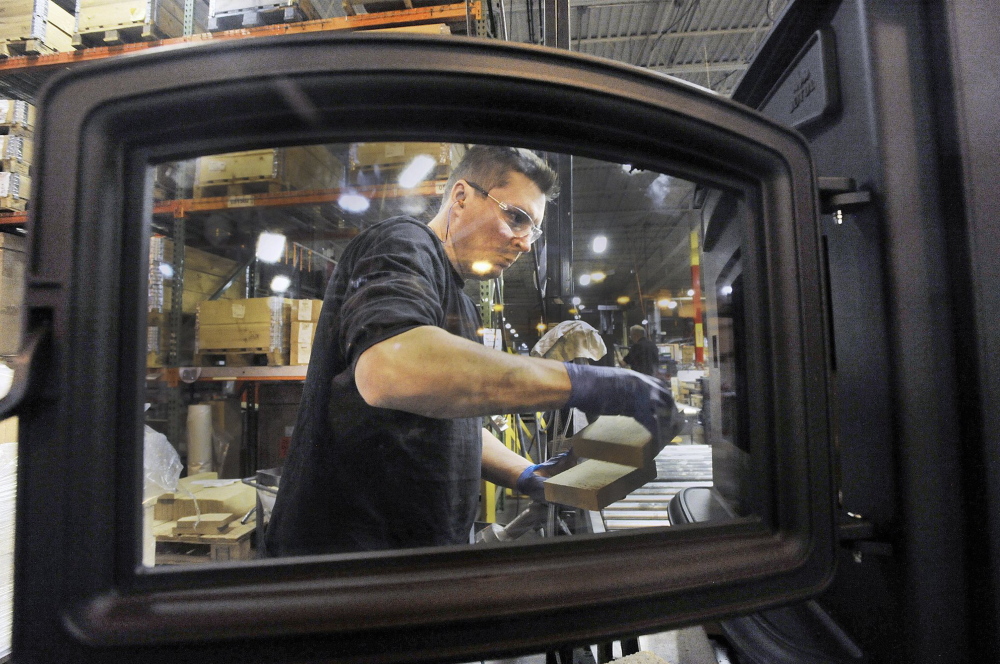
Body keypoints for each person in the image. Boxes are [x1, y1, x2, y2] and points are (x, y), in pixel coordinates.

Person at [264, 146, 682, 556]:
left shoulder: (459, 302)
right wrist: (589, 384)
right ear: (461, 197)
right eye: (515, 217)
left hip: (414, 555)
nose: (524, 244)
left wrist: (527, 475)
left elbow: (451, 422)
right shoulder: (402, 243)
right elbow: (390, 370)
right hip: (349, 564)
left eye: (532, 230)